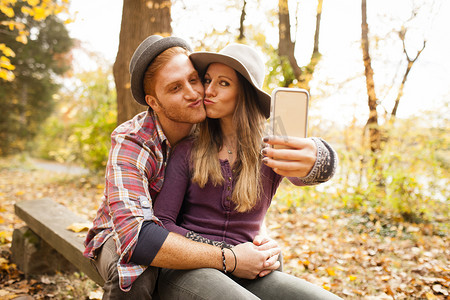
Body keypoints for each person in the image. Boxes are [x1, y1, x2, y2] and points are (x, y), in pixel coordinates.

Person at [84, 36, 282, 299]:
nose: (193, 93)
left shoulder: (209, 125)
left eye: (194, 80)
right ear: (154, 102)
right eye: (175, 88)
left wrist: (259, 237)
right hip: (120, 235)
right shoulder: (133, 141)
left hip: (187, 237)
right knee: (136, 272)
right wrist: (230, 257)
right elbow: (137, 238)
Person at [153, 43, 341, 299]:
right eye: (207, 80)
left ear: (245, 93)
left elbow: (310, 171)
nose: (208, 90)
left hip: (249, 271)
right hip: (188, 269)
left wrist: (321, 155)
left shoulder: (271, 149)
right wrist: (230, 254)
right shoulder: (189, 149)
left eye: (223, 83)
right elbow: (162, 223)